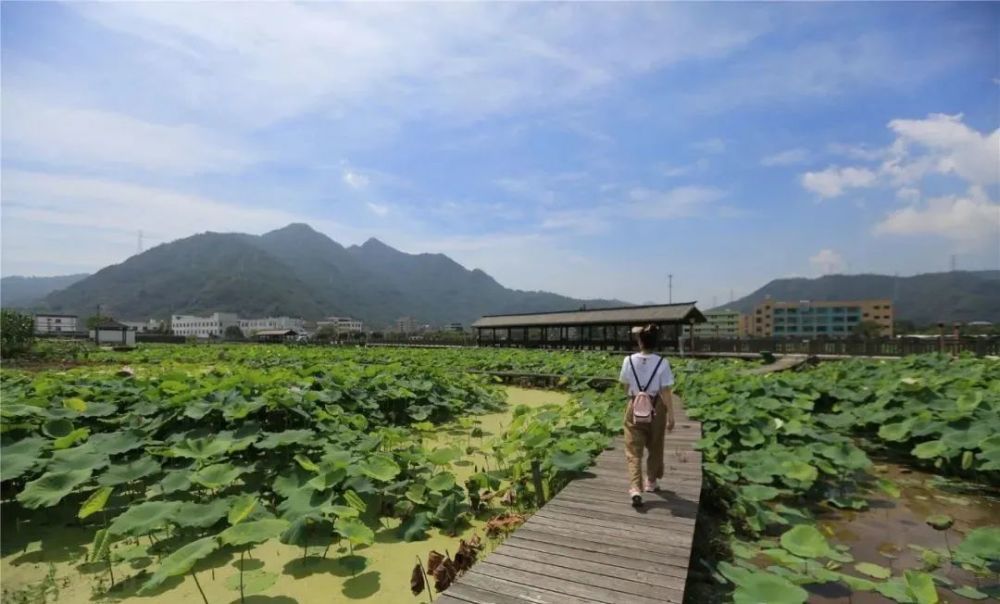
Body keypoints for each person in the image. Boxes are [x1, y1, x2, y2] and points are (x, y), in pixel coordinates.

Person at [619, 324, 675, 507]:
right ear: (655, 342)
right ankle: (651, 481)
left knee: (633, 450)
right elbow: (666, 391)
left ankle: (635, 487)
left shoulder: (628, 360)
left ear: (640, 341)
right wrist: (671, 416)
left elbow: (625, 387)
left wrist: (635, 392)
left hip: (634, 406)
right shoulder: (662, 362)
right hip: (656, 407)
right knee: (656, 445)